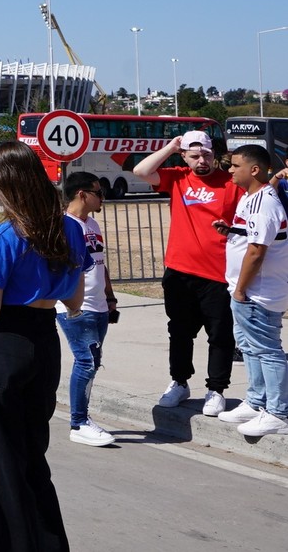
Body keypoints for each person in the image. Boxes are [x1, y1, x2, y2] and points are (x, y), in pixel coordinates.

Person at [0, 141, 89, 551]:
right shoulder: (70, 226)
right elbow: (74, 299)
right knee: (32, 456)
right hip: (44, 339)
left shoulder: (4, 234)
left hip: (4, 343)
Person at [134, 129, 244, 415]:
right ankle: (179, 382)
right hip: (180, 271)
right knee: (180, 332)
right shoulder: (178, 177)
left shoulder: (230, 183)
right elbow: (141, 170)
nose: (202, 161)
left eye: (206, 154)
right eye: (194, 156)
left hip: (219, 273)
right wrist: (170, 147)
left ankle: (216, 389)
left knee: (220, 334)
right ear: (184, 156)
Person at [214, 144, 288, 436]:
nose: (229, 170)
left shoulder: (264, 204)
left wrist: (241, 290)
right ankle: (257, 401)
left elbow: (257, 252)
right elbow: (252, 236)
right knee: (250, 348)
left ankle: (278, 412)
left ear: (254, 169)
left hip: (257, 292)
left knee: (267, 350)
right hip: (247, 290)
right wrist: (231, 230)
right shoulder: (251, 198)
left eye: (234, 166)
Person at [56, 172, 119, 446]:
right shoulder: (62, 225)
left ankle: (82, 419)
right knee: (86, 361)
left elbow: (100, 263)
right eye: (98, 192)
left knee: (92, 362)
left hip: (99, 304)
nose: (102, 197)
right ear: (81, 194)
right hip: (75, 306)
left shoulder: (92, 223)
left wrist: (110, 296)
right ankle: (79, 423)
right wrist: (70, 304)